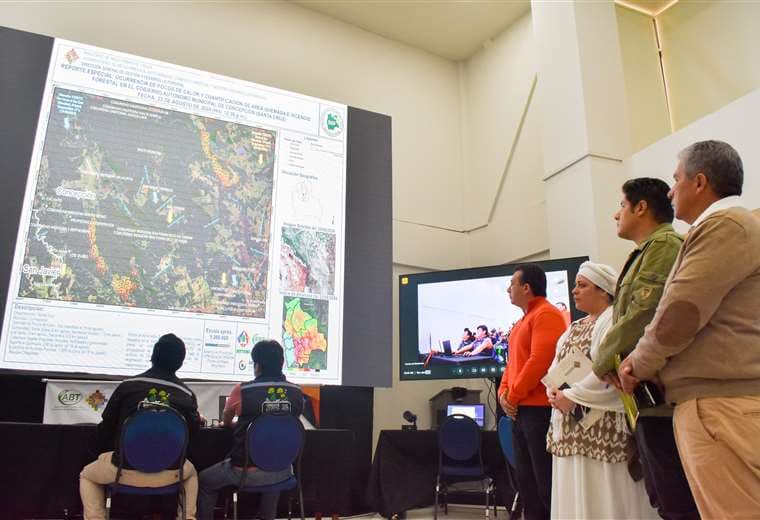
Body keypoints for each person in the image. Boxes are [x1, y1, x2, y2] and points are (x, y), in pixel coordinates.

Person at [619, 140, 760, 518]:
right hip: (716, 403)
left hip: (720, 408)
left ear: (700, 182)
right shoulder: (731, 227)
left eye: (676, 178)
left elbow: (680, 311)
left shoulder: (724, 226)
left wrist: (636, 364)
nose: (670, 189)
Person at [592, 177, 698, 519]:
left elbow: (643, 314)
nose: (615, 214)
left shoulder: (665, 246)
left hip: (661, 392)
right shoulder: (645, 252)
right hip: (642, 392)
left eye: (621, 205)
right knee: (662, 493)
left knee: (675, 495)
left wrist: (601, 360)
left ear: (641, 207)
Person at [545, 261, 657, 519]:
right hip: (570, 424)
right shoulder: (575, 326)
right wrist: (552, 390)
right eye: (575, 286)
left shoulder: (613, 322)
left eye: (582, 286)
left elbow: (608, 372)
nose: (574, 291)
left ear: (604, 291)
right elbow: (557, 365)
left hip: (602, 423)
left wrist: (571, 396)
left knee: (605, 495)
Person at [80, 333, 202, 520]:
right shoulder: (186, 395)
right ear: (181, 363)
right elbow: (192, 437)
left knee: (87, 475)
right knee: (192, 474)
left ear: (153, 356)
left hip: (123, 471)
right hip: (170, 473)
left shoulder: (127, 387)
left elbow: (106, 429)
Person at [198, 340, 304, 520]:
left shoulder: (242, 390)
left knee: (205, 480)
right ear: (282, 363)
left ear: (257, 365)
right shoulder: (296, 392)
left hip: (244, 472)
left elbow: (226, 420)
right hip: (283, 471)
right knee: (274, 459)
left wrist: (235, 425)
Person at [498, 264, 567, 520]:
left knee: (544, 484)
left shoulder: (546, 314)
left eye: (512, 283)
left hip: (539, 413)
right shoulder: (522, 322)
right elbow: (512, 365)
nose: (508, 289)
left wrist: (512, 396)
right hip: (521, 412)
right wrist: (503, 394)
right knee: (526, 484)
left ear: (526, 287)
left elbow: (540, 361)